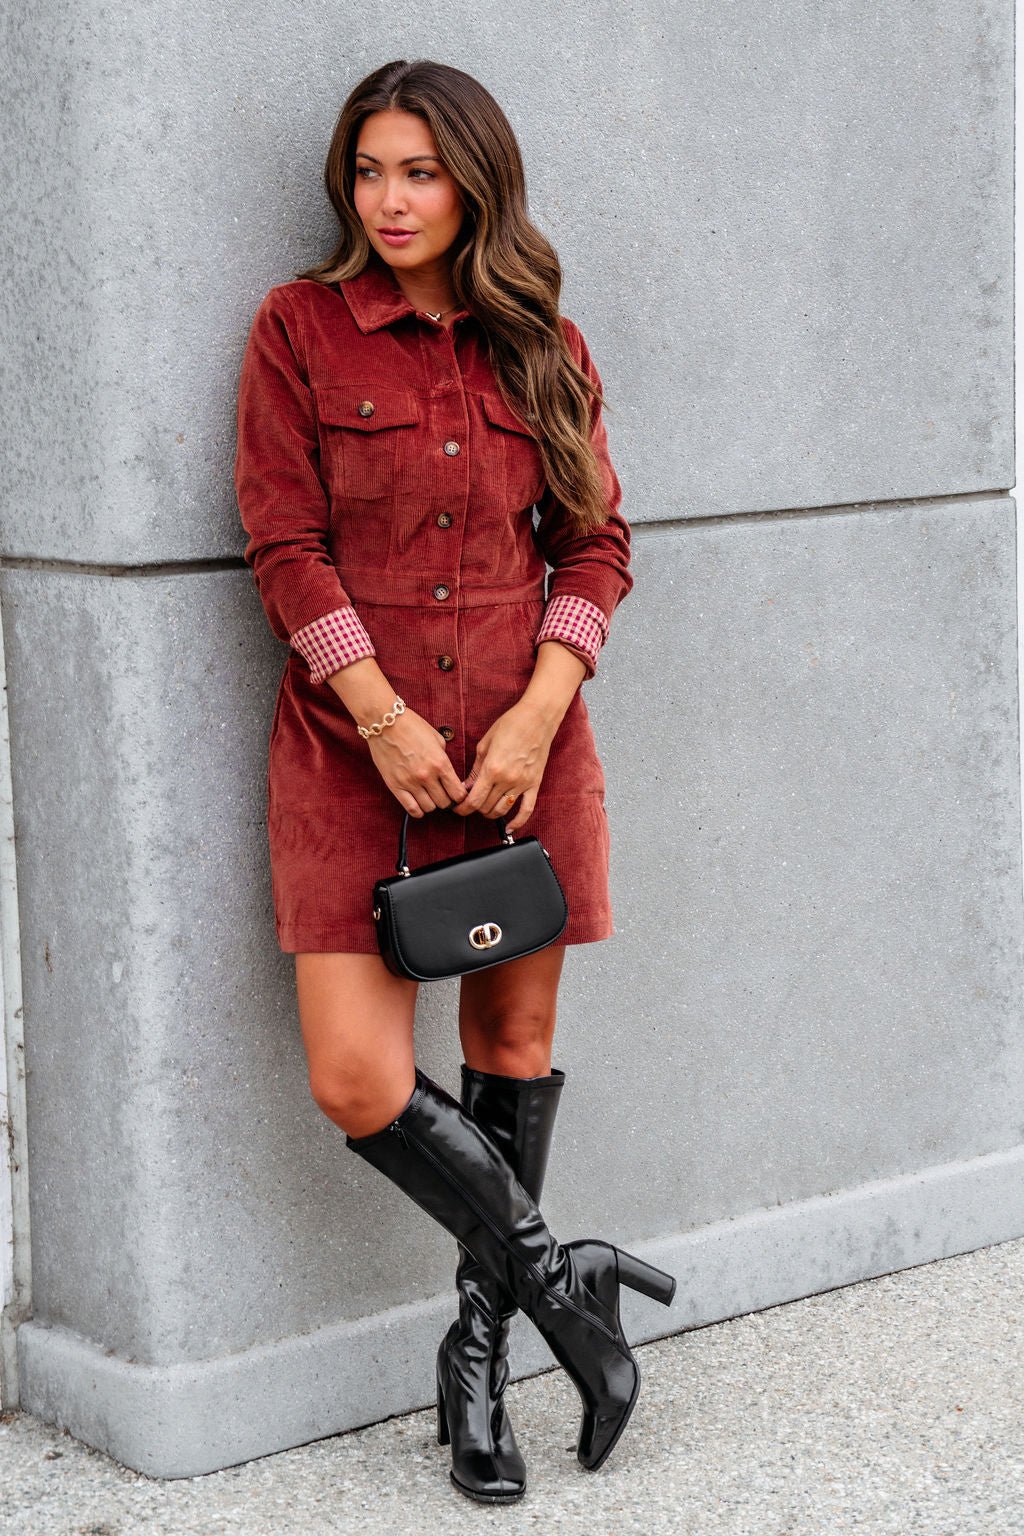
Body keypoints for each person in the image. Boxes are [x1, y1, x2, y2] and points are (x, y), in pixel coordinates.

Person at [233, 58, 674, 1504]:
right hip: (352, 756)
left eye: (420, 171)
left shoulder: (539, 340)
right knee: (358, 1077)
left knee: (509, 1066)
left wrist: (542, 713)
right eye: (370, 171)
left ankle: (476, 1367)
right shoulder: (300, 331)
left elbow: (598, 544)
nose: (393, 199)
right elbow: (285, 545)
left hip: (518, 754)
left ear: (476, 180)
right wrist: (376, 715)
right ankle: (568, 1282)